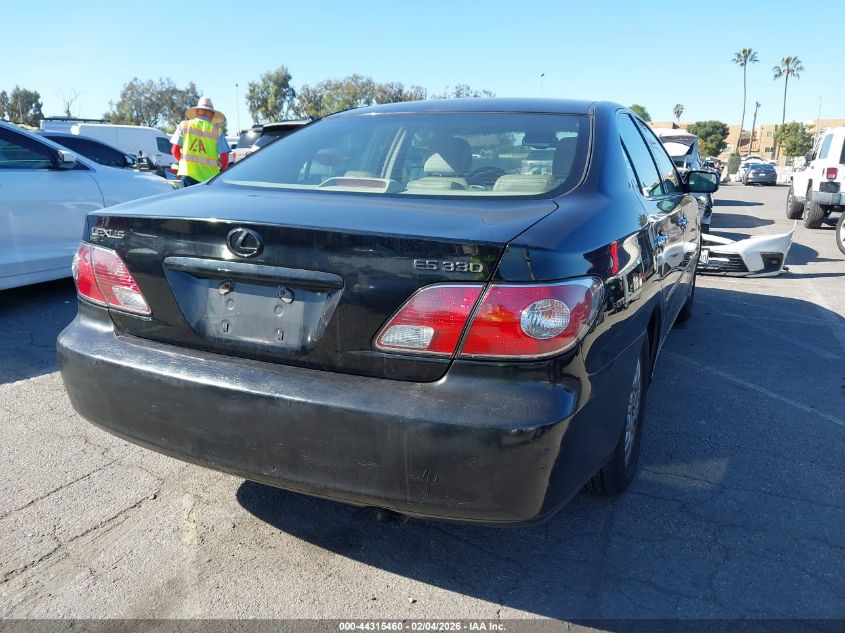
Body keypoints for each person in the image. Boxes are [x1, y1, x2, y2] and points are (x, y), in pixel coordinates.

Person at [171, 97, 230, 187]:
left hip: (187, 175)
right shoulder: (217, 131)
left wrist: (184, 162)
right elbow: (224, 157)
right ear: (211, 114)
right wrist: (222, 170)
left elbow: (174, 150)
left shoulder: (184, 125)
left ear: (197, 112)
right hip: (209, 179)